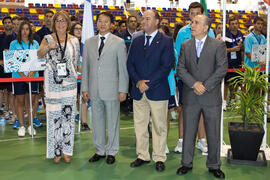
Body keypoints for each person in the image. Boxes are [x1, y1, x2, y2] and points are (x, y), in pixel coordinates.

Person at [176, 15, 227, 179]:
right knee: (188, 131)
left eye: (196, 23)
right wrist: (194, 84)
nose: (192, 25)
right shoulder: (185, 45)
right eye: (192, 22)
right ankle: (186, 163)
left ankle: (214, 165)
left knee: (213, 133)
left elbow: (221, 69)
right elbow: (181, 69)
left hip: (211, 96)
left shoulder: (218, 45)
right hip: (191, 95)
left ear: (206, 28)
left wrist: (204, 86)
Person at [127, 10, 174, 172]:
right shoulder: (136, 40)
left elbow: (166, 66)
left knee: (159, 126)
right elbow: (130, 64)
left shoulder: (167, 41)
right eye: (143, 18)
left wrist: (149, 83)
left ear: (156, 22)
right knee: (139, 125)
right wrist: (138, 81)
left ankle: (159, 157)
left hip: (157, 90)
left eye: (147, 18)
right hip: (139, 91)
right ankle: (142, 155)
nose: (143, 21)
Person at [81, 12, 129, 165]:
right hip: (94, 89)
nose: (102, 24)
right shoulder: (89, 43)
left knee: (113, 122)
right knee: (97, 122)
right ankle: (100, 150)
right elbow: (86, 68)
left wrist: (123, 89)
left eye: (106, 22)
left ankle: (112, 151)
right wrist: (85, 88)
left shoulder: (119, 42)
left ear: (111, 24)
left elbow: (123, 68)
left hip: (112, 89)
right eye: (100, 21)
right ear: (97, 24)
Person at [37, 11, 80, 163]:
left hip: (70, 83)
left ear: (67, 23)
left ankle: (67, 149)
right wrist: (48, 47)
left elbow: (76, 63)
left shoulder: (74, 40)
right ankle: (56, 151)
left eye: (63, 20)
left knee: (68, 116)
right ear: (53, 23)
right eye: (58, 21)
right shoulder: (47, 38)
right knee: (54, 116)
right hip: (52, 84)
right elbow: (39, 54)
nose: (60, 23)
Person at [174, 1, 215, 153]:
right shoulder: (182, 33)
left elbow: (212, 57)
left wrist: (206, 79)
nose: (194, 17)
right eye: (192, 14)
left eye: (197, 14)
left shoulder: (208, 31)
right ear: (188, 14)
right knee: (184, 109)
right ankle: (181, 141)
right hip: (186, 80)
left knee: (203, 109)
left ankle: (202, 140)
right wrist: (187, 79)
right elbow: (178, 58)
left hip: (204, 80)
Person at [9, 21, 40, 137]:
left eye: (27, 29)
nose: (25, 31)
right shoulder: (13, 44)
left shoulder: (35, 43)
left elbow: (38, 60)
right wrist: (23, 76)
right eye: (23, 29)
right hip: (18, 77)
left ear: (30, 31)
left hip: (33, 76)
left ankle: (30, 126)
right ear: (19, 30)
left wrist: (31, 75)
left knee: (30, 102)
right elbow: (12, 62)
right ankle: (21, 126)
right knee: (20, 101)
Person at [69, 22, 90, 131]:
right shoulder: (69, 43)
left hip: (83, 77)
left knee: (83, 99)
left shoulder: (86, 44)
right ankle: (70, 121)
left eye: (80, 29)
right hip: (71, 77)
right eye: (76, 28)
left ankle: (84, 122)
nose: (78, 30)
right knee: (72, 99)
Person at [224, 16, 244, 110]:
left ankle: (232, 99)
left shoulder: (241, 34)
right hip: (227, 62)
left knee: (237, 82)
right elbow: (222, 50)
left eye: (236, 23)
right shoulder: (225, 35)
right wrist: (232, 49)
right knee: (227, 83)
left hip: (238, 61)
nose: (234, 25)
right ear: (229, 25)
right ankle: (224, 102)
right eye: (232, 24)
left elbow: (243, 49)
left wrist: (241, 46)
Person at [0, 16, 14, 122]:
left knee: (11, 90)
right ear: (3, 25)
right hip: (1, 67)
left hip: (13, 67)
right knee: (2, 90)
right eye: (6, 22)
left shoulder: (16, 38)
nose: (8, 24)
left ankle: (10, 110)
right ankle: (3, 110)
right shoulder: (0, 37)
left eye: (9, 22)